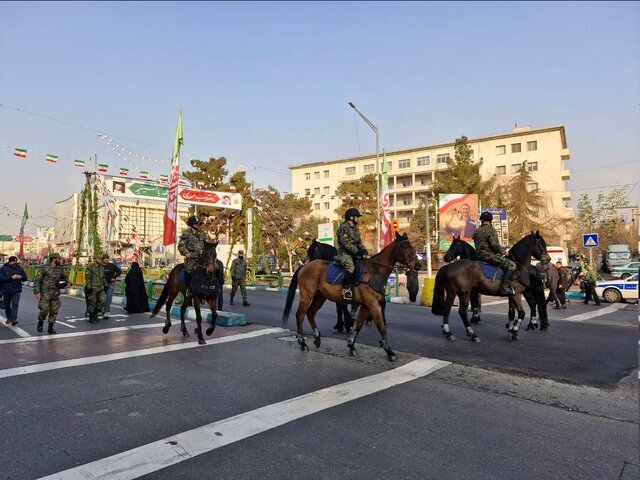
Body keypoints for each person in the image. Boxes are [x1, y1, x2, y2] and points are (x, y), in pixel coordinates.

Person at [473, 211, 516, 296]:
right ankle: (505, 287)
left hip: (479, 256)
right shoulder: (491, 230)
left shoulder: (477, 231)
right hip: (490, 256)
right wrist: (504, 252)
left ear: (481, 220)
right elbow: (495, 245)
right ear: (491, 220)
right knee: (512, 265)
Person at [336, 208, 368, 300]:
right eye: (356, 217)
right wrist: (357, 251)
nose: (358, 219)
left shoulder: (355, 228)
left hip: (354, 254)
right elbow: (345, 243)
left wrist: (363, 250)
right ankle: (345, 290)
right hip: (344, 254)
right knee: (351, 267)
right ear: (351, 217)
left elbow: (359, 242)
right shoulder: (343, 227)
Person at [34, 253, 70, 334]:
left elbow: (65, 278)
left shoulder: (60, 269)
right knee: (44, 310)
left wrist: (68, 283)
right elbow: (37, 280)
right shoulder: (44, 268)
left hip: (56, 293)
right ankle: (41, 322)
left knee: (54, 311)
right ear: (54, 259)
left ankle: (51, 327)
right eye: (59, 258)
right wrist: (37, 292)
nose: (60, 260)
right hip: (45, 293)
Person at [178, 215, 206, 298]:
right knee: (189, 270)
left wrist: (204, 251)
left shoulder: (202, 235)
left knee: (211, 268)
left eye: (198, 223)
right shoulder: (186, 234)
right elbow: (181, 246)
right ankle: (188, 289)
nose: (197, 225)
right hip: (192, 258)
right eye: (195, 223)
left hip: (202, 257)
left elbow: (206, 245)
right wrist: (186, 253)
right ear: (191, 224)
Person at [0, 256, 28, 326]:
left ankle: (14, 319)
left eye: (16, 262)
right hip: (6, 290)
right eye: (13, 262)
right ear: (10, 262)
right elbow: (1, 278)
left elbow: (25, 278)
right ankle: (9, 318)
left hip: (16, 290)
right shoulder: (3, 269)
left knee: (15, 304)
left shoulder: (19, 268)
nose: (15, 263)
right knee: (7, 305)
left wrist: (21, 277)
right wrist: (11, 277)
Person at [84, 256, 107, 323]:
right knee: (92, 303)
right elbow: (88, 278)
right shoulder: (90, 268)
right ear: (94, 260)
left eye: (100, 259)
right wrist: (89, 287)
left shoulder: (102, 268)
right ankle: (92, 317)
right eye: (99, 259)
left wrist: (105, 285)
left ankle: (95, 313)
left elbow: (103, 277)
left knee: (103, 300)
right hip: (92, 288)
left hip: (100, 288)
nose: (100, 260)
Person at [101, 253, 122, 319]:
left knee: (108, 297)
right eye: (105, 258)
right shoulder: (100, 266)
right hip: (101, 284)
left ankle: (107, 311)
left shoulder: (112, 265)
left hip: (110, 284)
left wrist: (114, 277)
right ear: (102, 259)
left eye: (107, 258)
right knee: (101, 298)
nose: (106, 259)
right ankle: (102, 309)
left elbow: (119, 271)